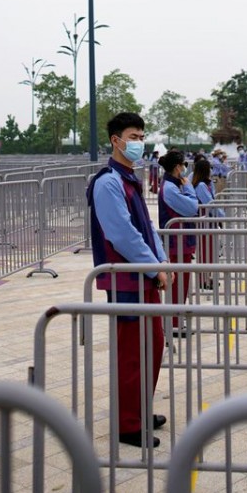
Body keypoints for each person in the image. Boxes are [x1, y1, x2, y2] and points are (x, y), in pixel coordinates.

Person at [87, 112, 170, 448]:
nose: (139, 141)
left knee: (152, 345)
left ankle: (139, 409)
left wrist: (161, 260)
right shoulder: (108, 182)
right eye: (133, 136)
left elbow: (148, 228)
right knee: (133, 353)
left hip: (143, 276)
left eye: (141, 135)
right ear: (116, 140)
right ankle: (128, 424)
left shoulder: (128, 179)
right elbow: (122, 234)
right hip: (126, 280)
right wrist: (155, 267)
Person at [157, 150, 199, 335]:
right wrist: (189, 186)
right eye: (183, 165)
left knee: (181, 285)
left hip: (181, 243)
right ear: (177, 167)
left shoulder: (172, 185)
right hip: (176, 244)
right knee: (177, 287)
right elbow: (192, 208)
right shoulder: (170, 188)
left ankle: (176, 321)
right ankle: (173, 324)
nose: (185, 169)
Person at [192, 158, 223, 290]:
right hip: (204, 224)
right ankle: (203, 280)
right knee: (205, 253)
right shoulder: (201, 186)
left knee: (210, 252)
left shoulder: (206, 184)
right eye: (209, 168)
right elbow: (210, 204)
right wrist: (222, 217)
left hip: (209, 223)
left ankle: (207, 278)